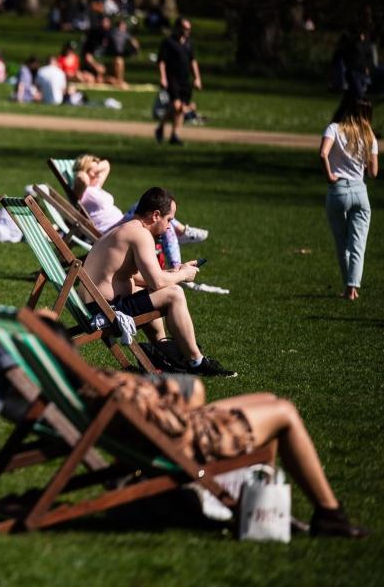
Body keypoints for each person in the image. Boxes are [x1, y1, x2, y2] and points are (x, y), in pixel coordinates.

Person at [89, 365, 366, 537]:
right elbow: (164, 421)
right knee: (284, 413)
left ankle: (260, 507)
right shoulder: (94, 384)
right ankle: (330, 515)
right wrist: (172, 392)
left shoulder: (84, 381)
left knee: (269, 399)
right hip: (186, 438)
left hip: (176, 429)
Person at [81, 187, 233, 377]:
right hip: (107, 310)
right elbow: (157, 282)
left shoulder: (124, 230)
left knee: (146, 290)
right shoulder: (141, 235)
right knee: (174, 293)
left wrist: (174, 271)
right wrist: (183, 276)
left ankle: (162, 351)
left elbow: (136, 276)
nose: (170, 226)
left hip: (97, 305)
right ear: (155, 215)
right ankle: (197, 361)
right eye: (169, 219)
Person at [73, 154, 209, 269]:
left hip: (121, 223)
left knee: (162, 217)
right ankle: (182, 236)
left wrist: (93, 166)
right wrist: (83, 169)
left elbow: (106, 164)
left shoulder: (95, 187)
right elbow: (81, 178)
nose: (97, 172)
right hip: (110, 230)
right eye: (92, 168)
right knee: (150, 204)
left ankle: (176, 264)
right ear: (84, 169)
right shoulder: (81, 191)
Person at [320, 96, 377, 300]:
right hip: (360, 192)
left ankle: (347, 288)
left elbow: (323, 153)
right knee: (358, 244)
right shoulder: (369, 136)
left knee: (341, 242)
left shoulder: (334, 129)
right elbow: (373, 173)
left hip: (338, 190)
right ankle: (353, 288)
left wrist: (329, 175)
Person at [156, 18, 202, 145]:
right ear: (177, 28)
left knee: (181, 108)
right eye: (185, 28)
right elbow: (161, 62)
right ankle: (166, 130)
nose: (187, 31)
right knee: (176, 105)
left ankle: (171, 133)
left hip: (185, 79)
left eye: (189, 29)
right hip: (172, 78)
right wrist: (163, 77)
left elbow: (193, 61)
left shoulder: (189, 43)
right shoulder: (168, 42)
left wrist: (197, 78)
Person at [104, 19, 139, 87]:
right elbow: (135, 43)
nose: (124, 27)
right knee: (119, 61)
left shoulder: (124, 33)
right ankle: (119, 81)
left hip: (119, 54)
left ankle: (118, 81)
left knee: (119, 61)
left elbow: (135, 43)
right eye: (123, 26)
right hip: (112, 55)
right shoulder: (115, 32)